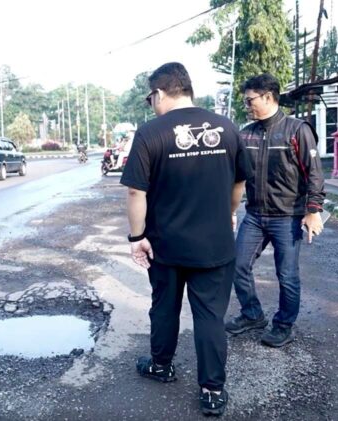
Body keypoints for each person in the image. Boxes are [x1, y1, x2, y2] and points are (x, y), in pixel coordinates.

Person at [120, 62, 251, 417]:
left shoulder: (150, 133)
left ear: (160, 93)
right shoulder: (226, 127)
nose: (151, 104)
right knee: (210, 316)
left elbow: (136, 191)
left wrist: (137, 237)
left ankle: (161, 366)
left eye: (151, 97)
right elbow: (240, 182)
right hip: (215, 244)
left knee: (164, 308)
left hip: (166, 245)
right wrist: (228, 214)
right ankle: (212, 390)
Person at [225, 73, 325, 348]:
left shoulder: (296, 130)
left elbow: (314, 174)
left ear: (268, 96)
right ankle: (252, 314)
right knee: (237, 264)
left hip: (288, 216)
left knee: (287, 274)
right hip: (255, 215)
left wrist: (313, 210)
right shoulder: (247, 133)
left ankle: (283, 325)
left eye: (250, 100)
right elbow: (235, 175)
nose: (247, 106)